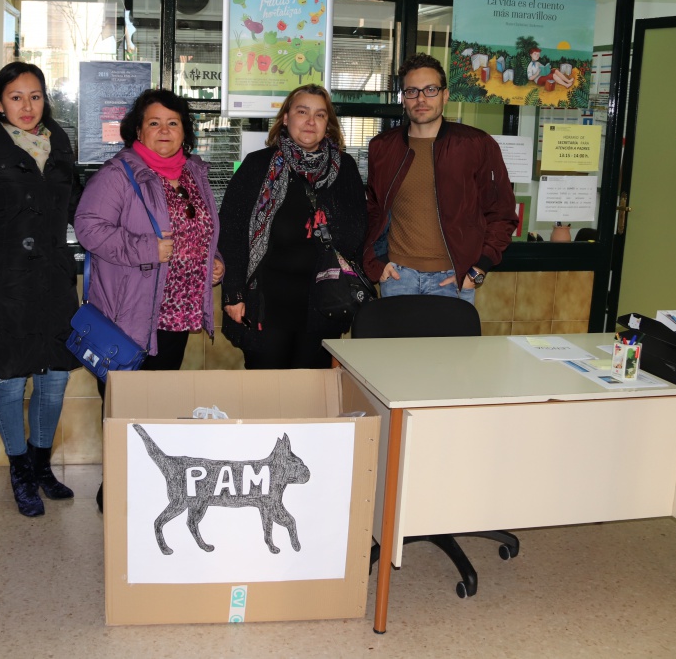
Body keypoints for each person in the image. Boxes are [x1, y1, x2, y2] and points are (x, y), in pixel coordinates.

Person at [73, 88, 224, 511]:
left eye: (173, 123)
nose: (164, 131)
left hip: (177, 311)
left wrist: (215, 263)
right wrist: (144, 248)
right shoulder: (120, 174)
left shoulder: (193, 172)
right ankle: (117, 492)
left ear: (185, 131)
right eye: (154, 123)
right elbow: (88, 226)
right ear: (137, 129)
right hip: (131, 312)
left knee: (157, 402)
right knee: (126, 404)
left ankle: (145, 485)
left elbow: (202, 230)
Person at [0, 62, 81, 518]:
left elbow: (79, 211)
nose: (27, 106)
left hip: (52, 284)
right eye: (17, 97)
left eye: (36, 96)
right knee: (9, 379)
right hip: (0, 286)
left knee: (55, 377)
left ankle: (42, 466)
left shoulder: (59, 145)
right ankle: (20, 471)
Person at [218, 84, 367, 369]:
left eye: (320, 115)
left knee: (311, 395)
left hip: (324, 304)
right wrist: (233, 293)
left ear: (328, 124)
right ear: (286, 118)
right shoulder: (257, 166)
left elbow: (357, 231)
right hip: (266, 305)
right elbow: (232, 231)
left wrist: (326, 224)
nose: (311, 121)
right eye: (302, 112)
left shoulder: (344, 168)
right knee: (266, 394)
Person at [364, 53, 518, 305]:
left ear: (445, 95)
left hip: (453, 279)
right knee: (396, 346)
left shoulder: (476, 144)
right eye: (412, 91)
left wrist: (478, 269)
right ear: (403, 99)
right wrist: (377, 262)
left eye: (430, 89)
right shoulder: (382, 147)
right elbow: (372, 210)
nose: (421, 98)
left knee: (451, 346)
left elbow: (502, 214)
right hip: (397, 277)